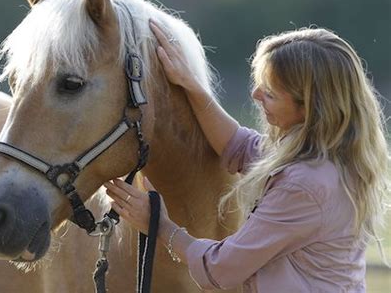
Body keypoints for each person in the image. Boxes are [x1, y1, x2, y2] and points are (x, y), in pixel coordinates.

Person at [104, 20, 390, 292]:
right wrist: (191, 85)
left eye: (270, 93)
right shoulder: (325, 157)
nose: (255, 95)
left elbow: (221, 267)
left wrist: (158, 224)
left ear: (309, 108)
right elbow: (240, 146)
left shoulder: (305, 184)